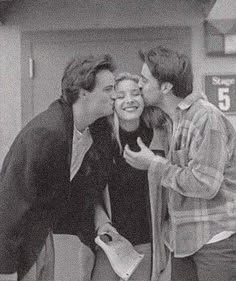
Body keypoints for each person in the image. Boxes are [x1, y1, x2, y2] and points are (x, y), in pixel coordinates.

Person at [123, 46, 236, 281]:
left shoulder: (205, 117)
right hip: (184, 243)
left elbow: (206, 184)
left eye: (144, 80)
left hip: (214, 242)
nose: (139, 85)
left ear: (166, 87)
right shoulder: (174, 120)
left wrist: (154, 164)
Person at [0, 54, 116, 281]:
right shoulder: (47, 132)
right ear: (83, 92)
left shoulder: (94, 132)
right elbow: (9, 203)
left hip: (46, 238)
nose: (115, 95)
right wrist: (6, 270)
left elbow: (85, 191)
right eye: (108, 89)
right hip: (21, 241)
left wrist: (101, 222)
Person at [92, 72, 170, 281]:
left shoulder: (160, 135)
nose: (129, 100)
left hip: (146, 241)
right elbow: (89, 190)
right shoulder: (101, 137)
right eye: (121, 96)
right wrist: (100, 222)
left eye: (135, 93)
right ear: (113, 103)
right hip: (110, 242)